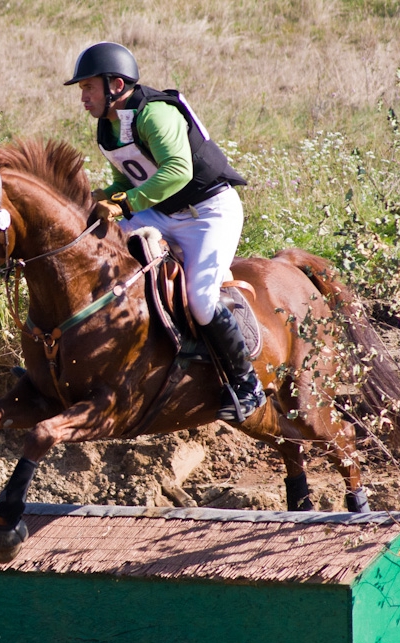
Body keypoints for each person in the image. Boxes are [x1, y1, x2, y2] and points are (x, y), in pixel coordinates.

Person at [65, 42, 266, 423]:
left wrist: (125, 204)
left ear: (116, 85)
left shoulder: (154, 114)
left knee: (201, 300)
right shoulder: (109, 126)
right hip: (162, 212)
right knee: (96, 241)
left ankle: (247, 384)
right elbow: (129, 179)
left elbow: (177, 171)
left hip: (208, 213)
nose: (83, 97)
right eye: (82, 89)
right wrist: (104, 197)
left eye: (88, 87)